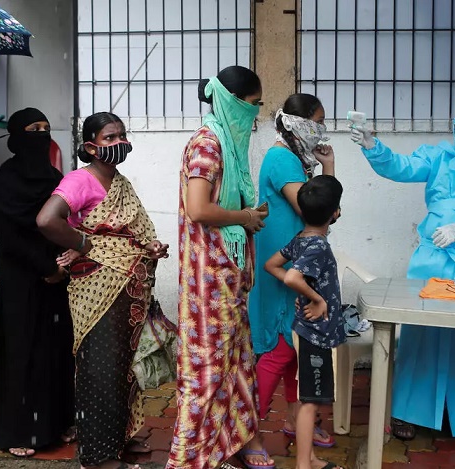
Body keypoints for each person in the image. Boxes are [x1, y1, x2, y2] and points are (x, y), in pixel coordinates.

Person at [350, 100, 455, 440]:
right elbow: (401, 167)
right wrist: (373, 146)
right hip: (431, 256)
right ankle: (406, 411)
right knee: (420, 332)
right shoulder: (438, 156)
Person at [36, 112, 168, 469]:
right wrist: (83, 243)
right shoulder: (80, 180)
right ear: (91, 146)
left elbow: (131, 234)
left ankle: (119, 439)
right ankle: (98, 458)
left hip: (129, 289)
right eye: (110, 138)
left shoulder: (120, 182)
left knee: (124, 367)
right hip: (96, 288)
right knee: (100, 370)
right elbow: (47, 220)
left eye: (122, 136)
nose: (119, 143)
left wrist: (150, 246)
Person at [167, 66, 273, 469]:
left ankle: (237, 440)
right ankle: (188, 459)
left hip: (227, 279)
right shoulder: (209, 144)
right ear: (234, 102)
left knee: (237, 361)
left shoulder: (228, 143)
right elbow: (198, 208)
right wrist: (244, 218)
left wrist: (248, 217)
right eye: (253, 104)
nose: (256, 113)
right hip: (208, 283)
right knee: (208, 369)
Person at [0, 108, 76, 457]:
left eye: (46, 128)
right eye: (33, 128)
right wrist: (43, 265)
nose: (41, 134)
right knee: (22, 350)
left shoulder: (55, 176)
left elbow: (68, 220)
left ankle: (57, 421)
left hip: (56, 278)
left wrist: (62, 262)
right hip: (20, 277)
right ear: (16, 137)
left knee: (55, 349)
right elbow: (7, 231)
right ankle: (20, 431)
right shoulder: (5, 180)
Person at [249, 93, 336, 448]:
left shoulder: (294, 159)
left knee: (294, 349)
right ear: (300, 123)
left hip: (293, 259)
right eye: (318, 122)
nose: (322, 129)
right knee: (280, 348)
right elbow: (313, 209)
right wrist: (330, 169)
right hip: (284, 264)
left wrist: (325, 168)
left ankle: (295, 421)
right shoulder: (282, 159)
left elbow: (322, 208)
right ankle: (247, 432)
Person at [264, 175, 345, 469]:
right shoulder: (317, 247)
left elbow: (271, 265)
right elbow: (292, 276)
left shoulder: (302, 239)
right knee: (310, 401)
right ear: (335, 213)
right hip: (316, 335)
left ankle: (309, 457)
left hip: (308, 331)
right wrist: (317, 299)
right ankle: (303, 464)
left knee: (306, 397)